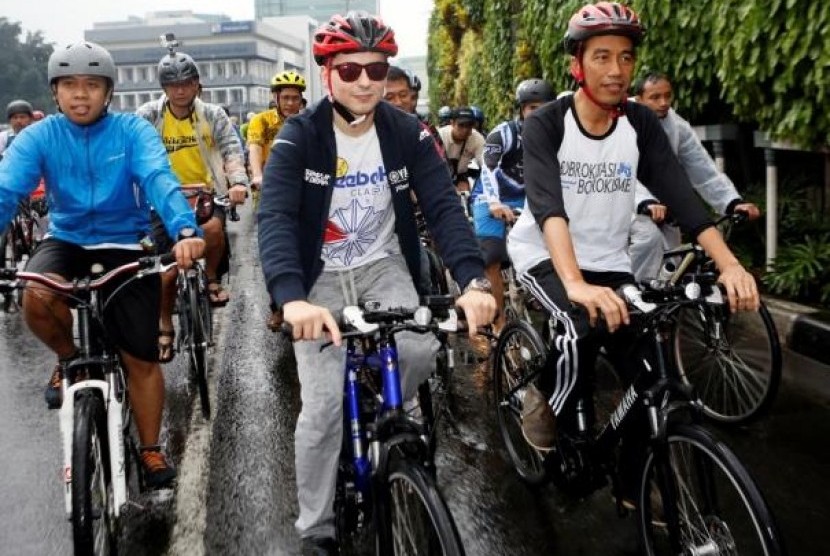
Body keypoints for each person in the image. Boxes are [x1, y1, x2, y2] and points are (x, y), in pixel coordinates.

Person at [257, 12, 496, 554]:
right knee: (320, 409)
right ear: (328, 76)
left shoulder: (407, 131)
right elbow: (274, 219)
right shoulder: (300, 134)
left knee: (416, 350)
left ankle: (396, 410)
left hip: (383, 262)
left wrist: (474, 280)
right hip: (317, 277)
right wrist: (290, 298)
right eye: (350, 70)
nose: (365, 80)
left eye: (377, 68)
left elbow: (442, 206)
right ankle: (315, 528)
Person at [507, 2, 759, 478]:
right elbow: (547, 207)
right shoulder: (547, 123)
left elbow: (682, 198)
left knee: (650, 372)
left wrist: (729, 265)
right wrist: (576, 283)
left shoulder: (639, 124)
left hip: (611, 260)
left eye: (625, 58)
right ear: (576, 64)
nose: (617, 70)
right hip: (545, 253)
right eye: (602, 56)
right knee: (578, 328)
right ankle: (545, 397)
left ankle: (634, 484)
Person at [0, 41, 205, 488]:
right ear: (54, 92)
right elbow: (7, 189)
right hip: (67, 239)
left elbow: (158, 178)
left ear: (108, 92)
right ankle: (71, 358)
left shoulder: (132, 131)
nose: (80, 95)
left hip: (124, 243)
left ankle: (150, 449)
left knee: (140, 356)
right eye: (69, 85)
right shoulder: (39, 136)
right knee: (36, 294)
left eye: (91, 85)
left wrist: (186, 231)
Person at [136, 46, 249, 362]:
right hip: (161, 199)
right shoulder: (148, 116)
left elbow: (231, 151)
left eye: (187, 82)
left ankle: (211, 278)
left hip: (204, 195)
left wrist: (238, 182)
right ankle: (164, 325)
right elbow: (132, 154)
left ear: (198, 84)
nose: (181, 89)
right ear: (163, 88)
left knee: (213, 228)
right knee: (168, 273)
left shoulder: (213, 115)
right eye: (173, 84)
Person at [629, 72, 761, 282]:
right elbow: (618, 169)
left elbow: (702, 167)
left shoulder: (676, 125)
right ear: (638, 98)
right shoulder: (620, 120)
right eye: (655, 97)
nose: (663, 103)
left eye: (667, 96)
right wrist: (644, 202)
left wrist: (732, 202)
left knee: (674, 264)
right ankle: (629, 300)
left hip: (664, 207)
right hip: (624, 202)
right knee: (648, 239)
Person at [472, 78, 554, 332]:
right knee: (492, 258)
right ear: (521, 109)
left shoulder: (555, 136)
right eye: (531, 108)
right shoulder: (504, 134)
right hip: (489, 196)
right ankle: (499, 321)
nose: (537, 113)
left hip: (525, 197)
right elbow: (488, 169)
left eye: (543, 107)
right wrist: (494, 203)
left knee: (551, 245)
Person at [247, 69, 306, 190]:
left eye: (295, 98)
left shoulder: (307, 123)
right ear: (276, 98)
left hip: (298, 183)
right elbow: (255, 148)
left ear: (301, 100)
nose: (290, 103)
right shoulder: (261, 120)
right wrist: (257, 175)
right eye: (285, 98)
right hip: (267, 183)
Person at [437, 105, 486, 191]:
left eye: (469, 125)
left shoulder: (477, 139)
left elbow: (486, 165)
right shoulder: (440, 136)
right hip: (439, 176)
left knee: (465, 194)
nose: (465, 130)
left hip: (460, 175)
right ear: (452, 123)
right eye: (461, 125)